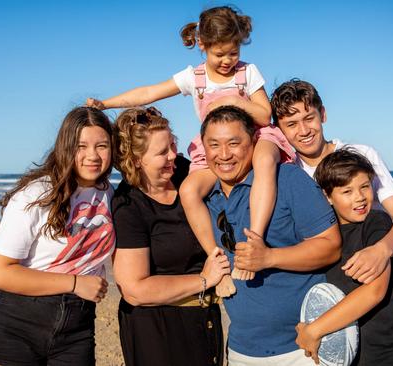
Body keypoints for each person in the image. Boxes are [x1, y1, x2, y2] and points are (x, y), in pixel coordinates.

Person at [87, 6, 294, 287]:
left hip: (256, 138)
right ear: (202, 45)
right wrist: (107, 103)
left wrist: (231, 102)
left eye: (233, 53)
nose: (227, 61)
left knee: (266, 163)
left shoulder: (247, 73)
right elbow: (149, 92)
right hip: (214, 149)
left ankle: (253, 239)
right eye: (219, 54)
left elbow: (263, 114)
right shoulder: (194, 78)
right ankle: (215, 257)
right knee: (188, 190)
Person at [270, 79, 393, 332]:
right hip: (332, 312)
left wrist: (382, 250)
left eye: (309, 118)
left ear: (322, 114)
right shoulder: (288, 176)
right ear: (279, 130)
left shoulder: (360, 154)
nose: (303, 130)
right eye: (291, 124)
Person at [201, 105, 341, 365]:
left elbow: (331, 246)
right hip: (241, 350)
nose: (224, 154)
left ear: (254, 142)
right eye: (214, 145)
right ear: (203, 148)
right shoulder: (206, 198)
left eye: (234, 143)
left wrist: (269, 257)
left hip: (303, 348)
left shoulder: (286, 178)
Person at [0, 107, 115, 366]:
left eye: (102, 145)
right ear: (65, 146)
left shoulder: (110, 194)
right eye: (81, 146)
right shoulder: (36, 195)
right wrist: (75, 283)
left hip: (78, 328)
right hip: (19, 324)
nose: (92, 156)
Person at [111, 107, 231, 366]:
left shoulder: (184, 172)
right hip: (156, 328)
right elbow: (134, 290)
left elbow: (230, 173)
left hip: (206, 317)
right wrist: (204, 280)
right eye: (162, 152)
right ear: (135, 160)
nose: (173, 156)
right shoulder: (128, 205)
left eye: (173, 145)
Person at [295, 148, 393, 365]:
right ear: (327, 196)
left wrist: (315, 329)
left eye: (365, 187)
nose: (359, 198)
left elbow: (374, 292)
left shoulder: (376, 223)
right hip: (353, 353)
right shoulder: (326, 239)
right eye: (347, 191)